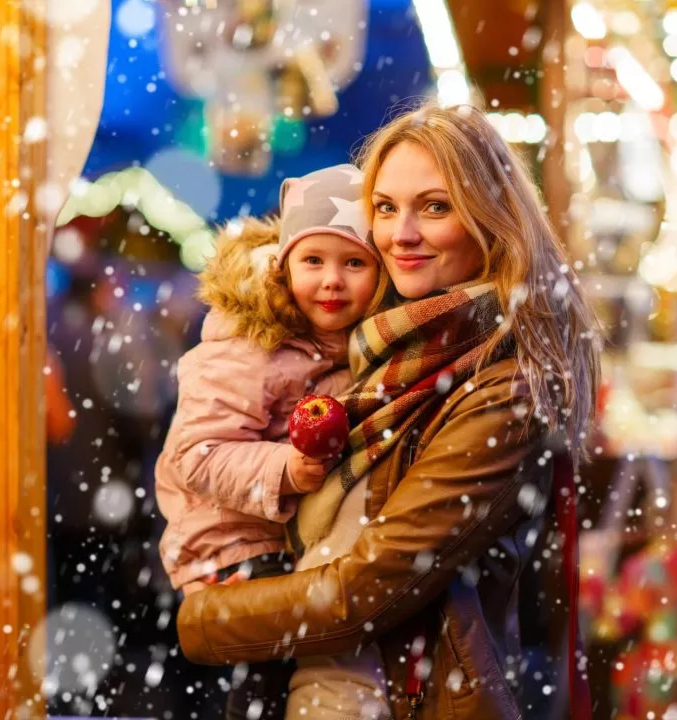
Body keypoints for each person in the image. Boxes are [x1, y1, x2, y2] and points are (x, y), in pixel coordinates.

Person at [175, 102, 601, 720]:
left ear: (491, 219)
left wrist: (199, 619)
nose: (400, 233)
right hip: (348, 684)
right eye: (384, 207)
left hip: (412, 694)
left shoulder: (504, 381)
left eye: (434, 207)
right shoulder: (391, 349)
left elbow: (365, 590)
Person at [155, 164, 386, 719]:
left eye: (353, 263)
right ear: (283, 267)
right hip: (232, 547)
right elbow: (197, 453)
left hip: (274, 540)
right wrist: (287, 468)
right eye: (313, 261)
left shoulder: (335, 343)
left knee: (287, 683)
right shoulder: (252, 342)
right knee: (256, 691)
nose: (332, 280)